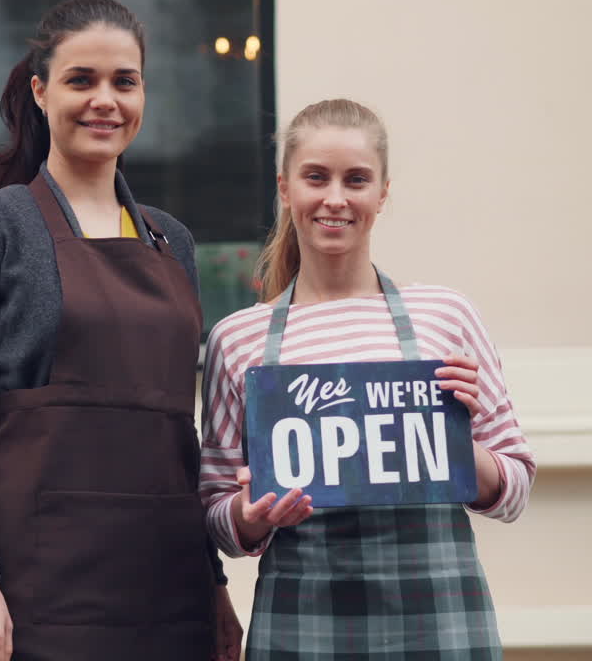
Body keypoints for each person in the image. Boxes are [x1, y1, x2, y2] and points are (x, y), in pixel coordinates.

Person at [0, 0, 240, 661]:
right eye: (81, 80)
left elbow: (181, 435)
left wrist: (214, 583)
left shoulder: (171, 240)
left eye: (124, 81)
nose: (106, 100)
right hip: (38, 589)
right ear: (40, 92)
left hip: (170, 588)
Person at [200, 99, 537, 659]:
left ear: (382, 194)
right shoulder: (237, 340)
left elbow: (515, 490)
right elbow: (214, 511)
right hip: (301, 619)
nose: (336, 198)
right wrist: (249, 515)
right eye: (316, 177)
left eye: (356, 180)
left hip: (442, 617)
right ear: (285, 189)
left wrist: (460, 447)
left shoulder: (446, 316)